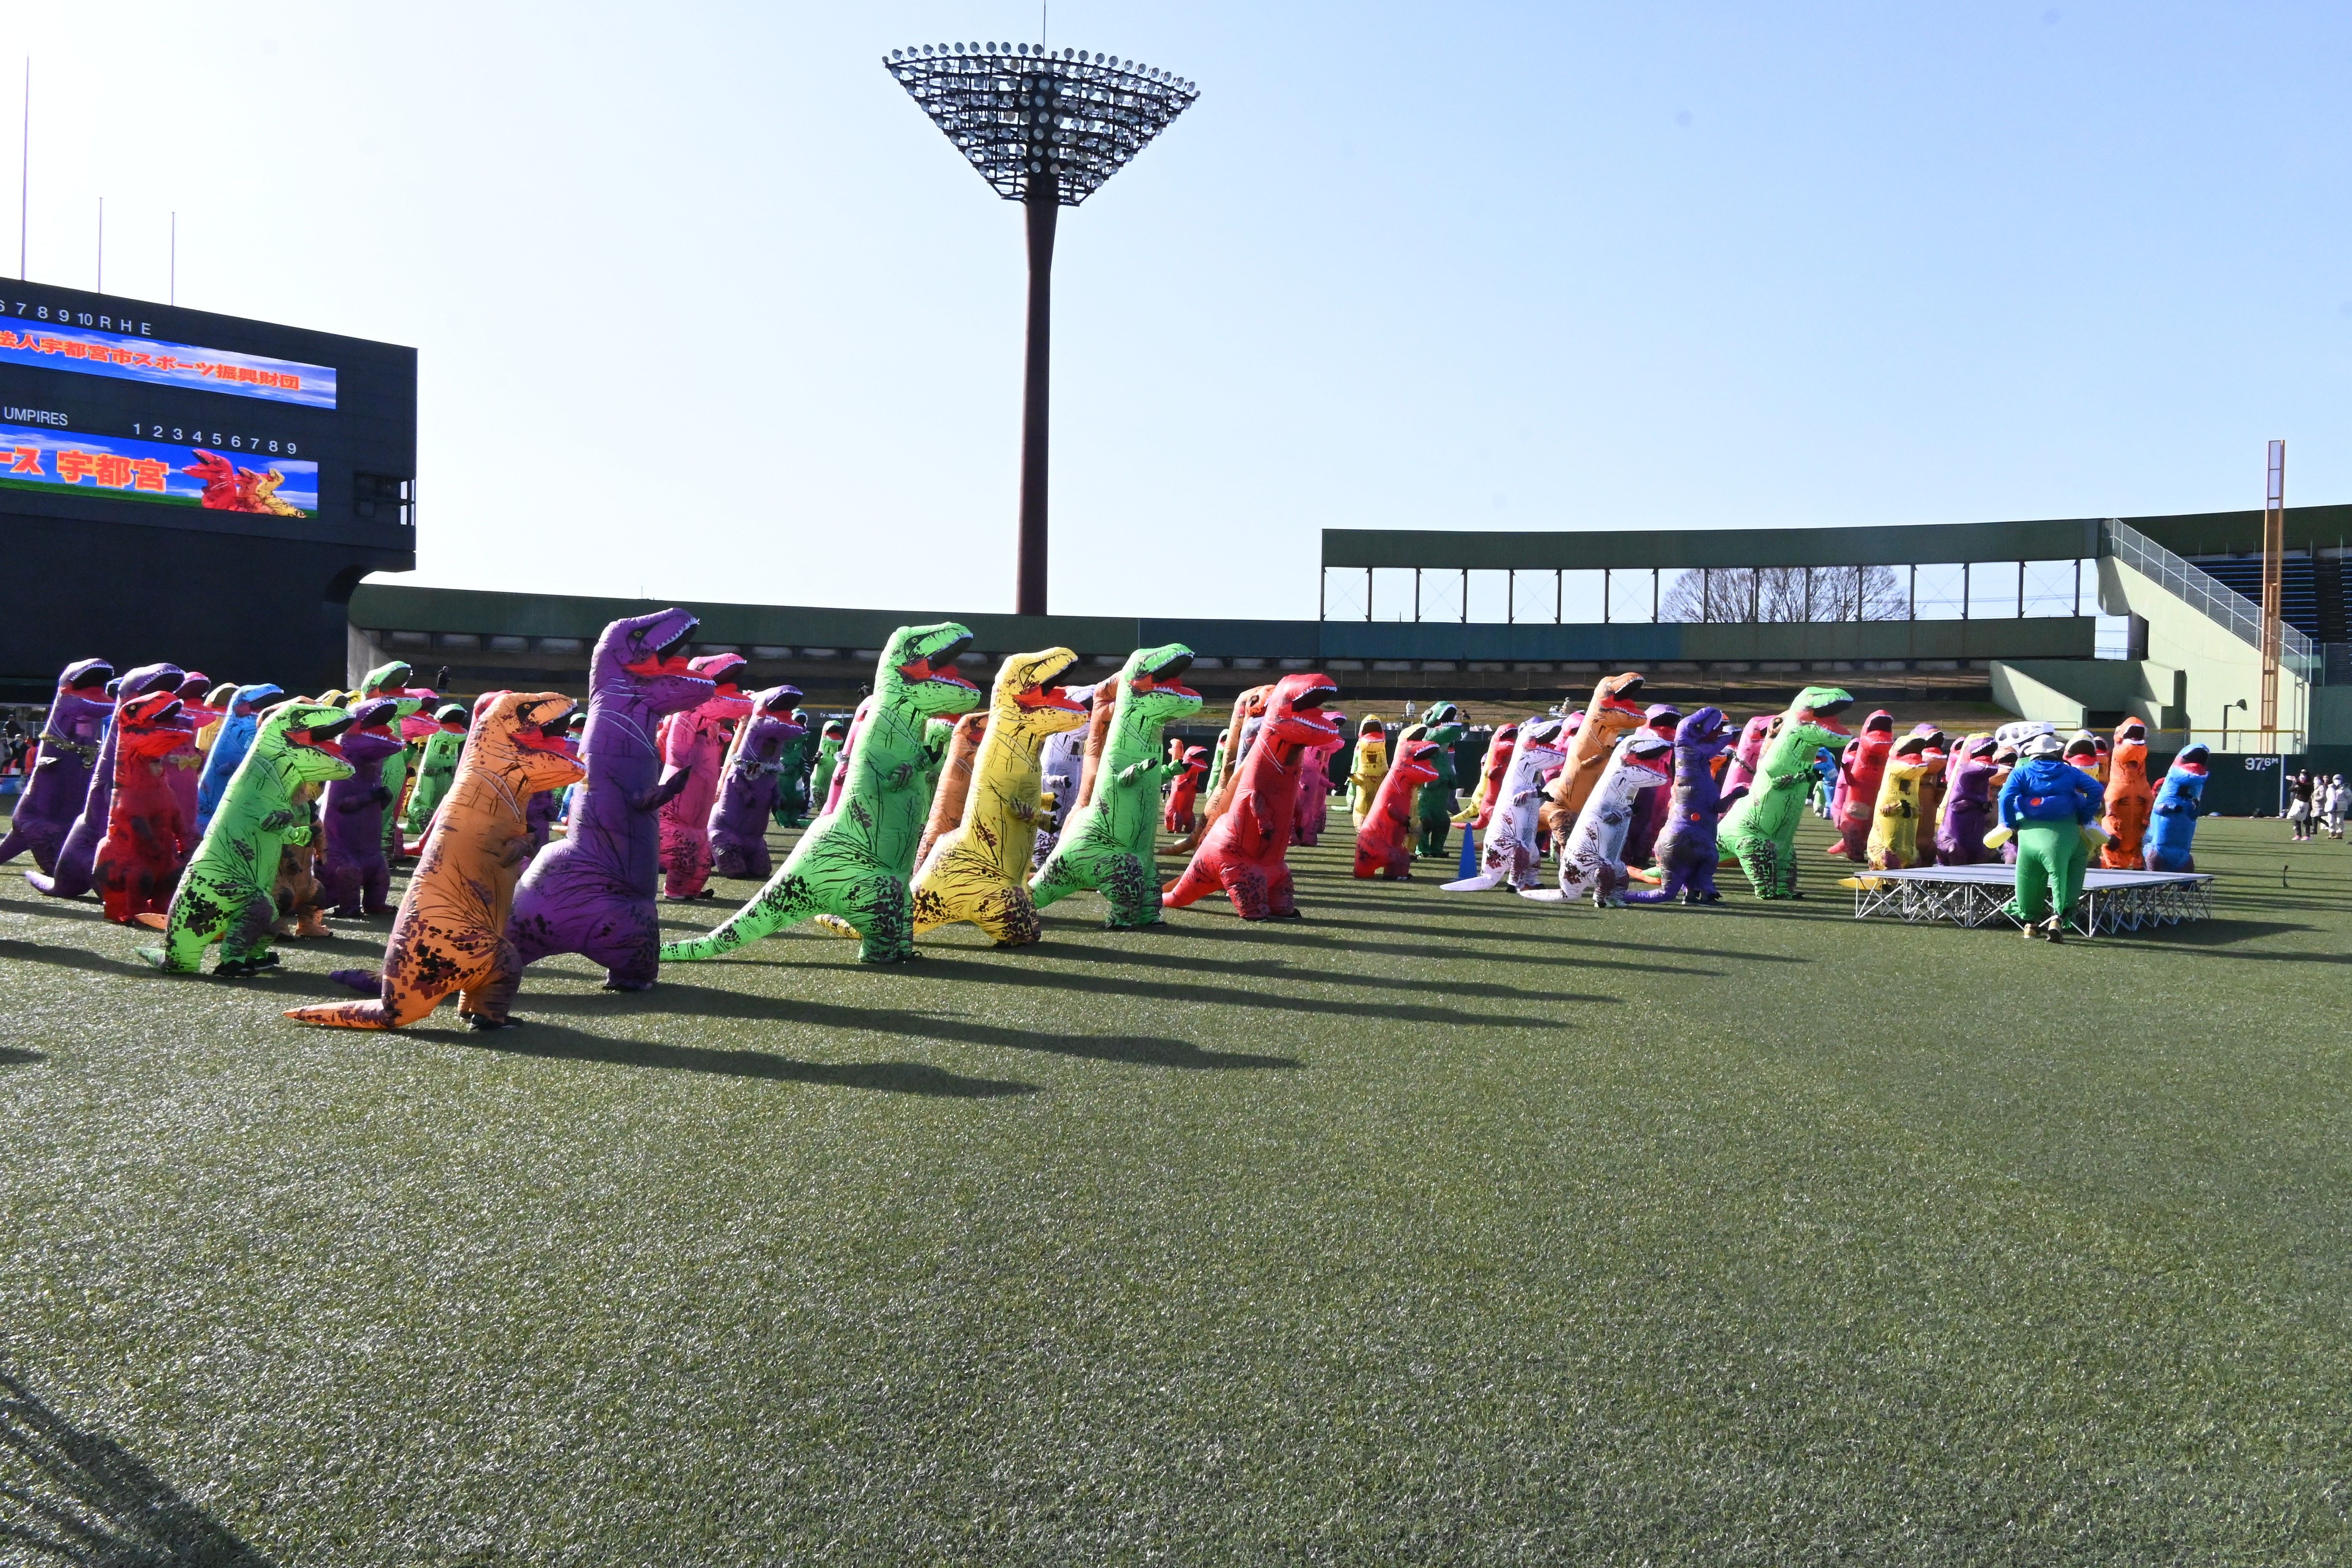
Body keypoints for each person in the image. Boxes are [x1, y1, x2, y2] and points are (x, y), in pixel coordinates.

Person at [1991, 732, 2107, 942]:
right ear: (2056, 753)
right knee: (2070, 870)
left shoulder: (2022, 772)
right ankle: (2058, 918)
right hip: (2066, 831)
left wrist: (2009, 823)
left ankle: (2030, 924)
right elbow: (2096, 790)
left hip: (2029, 834)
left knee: (2028, 876)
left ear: (2033, 754)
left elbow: (2005, 797)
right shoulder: (2069, 771)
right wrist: (2085, 816)